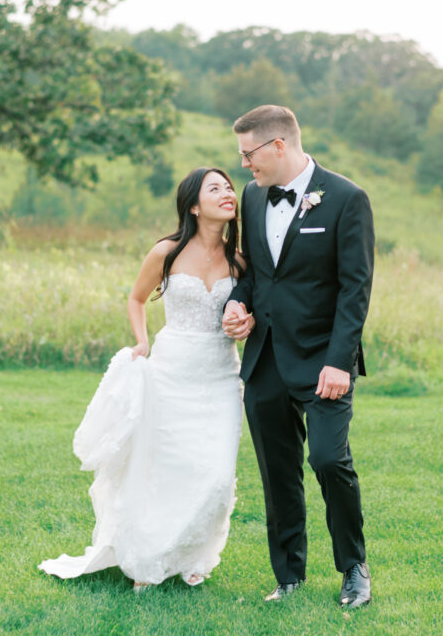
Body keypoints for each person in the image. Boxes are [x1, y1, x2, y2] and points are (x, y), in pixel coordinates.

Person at [39, 167, 246, 592]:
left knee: (217, 474)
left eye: (229, 187)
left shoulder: (240, 260)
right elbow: (136, 299)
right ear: (193, 204)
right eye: (215, 189)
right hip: (171, 372)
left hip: (222, 376)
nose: (227, 193)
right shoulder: (166, 252)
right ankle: (151, 557)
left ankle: (194, 553)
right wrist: (141, 341)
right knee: (166, 467)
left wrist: (247, 318)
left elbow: (251, 308)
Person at [222, 105, 374, 609]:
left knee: (330, 460)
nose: (244, 165)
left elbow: (355, 288)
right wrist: (236, 305)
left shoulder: (348, 199)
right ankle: (288, 575)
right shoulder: (251, 196)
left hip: (323, 360)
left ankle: (354, 568)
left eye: (249, 154)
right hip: (264, 358)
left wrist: (339, 360)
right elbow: (256, 272)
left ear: (278, 146)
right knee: (277, 471)